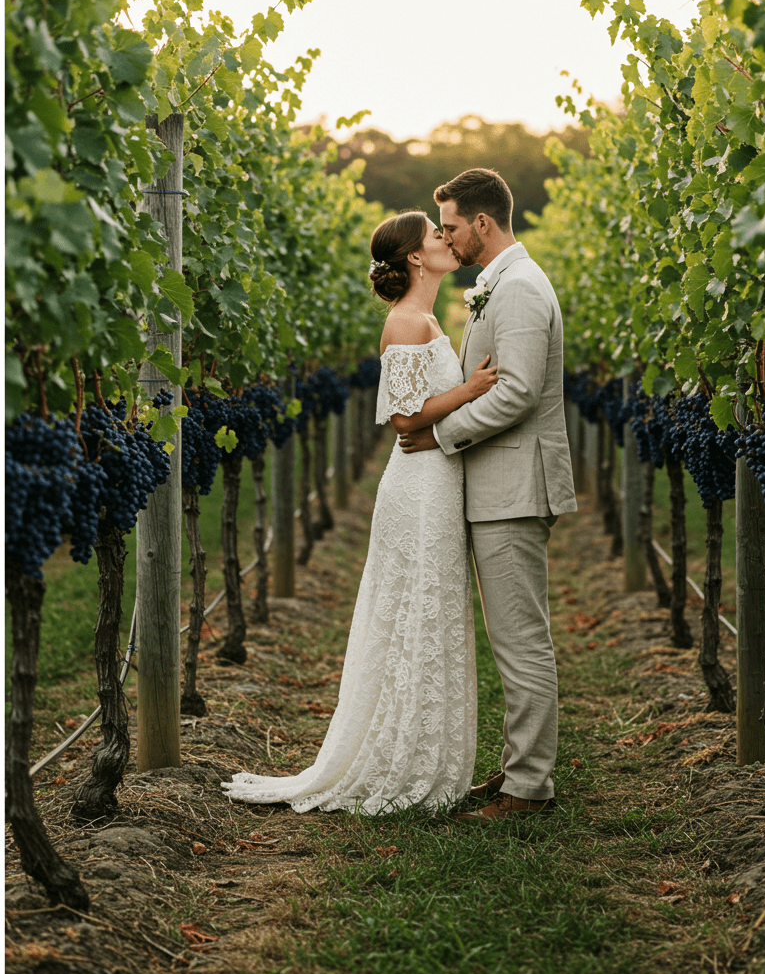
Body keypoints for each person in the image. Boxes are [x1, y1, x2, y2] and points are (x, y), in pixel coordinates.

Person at [222, 210, 497, 814]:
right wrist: (470, 391)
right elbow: (404, 419)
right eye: (434, 236)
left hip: (436, 478)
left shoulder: (425, 317)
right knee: (413, 609)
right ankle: (400, 760)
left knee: (432, 608)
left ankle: (430, 754)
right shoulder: (404, 323)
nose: (445, 241)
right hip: (419, 485)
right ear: (416, 259)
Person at [398, 168, 576, 824]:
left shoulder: (522, 288)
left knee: (522, 640)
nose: (446, 237)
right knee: (513, 638)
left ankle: (529, 787)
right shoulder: (502, 285)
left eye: (450, 226)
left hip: (514, 487)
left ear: (483, 221)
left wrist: (441, 432)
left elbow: (519, 391)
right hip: (501, 485)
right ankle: (518, 768)